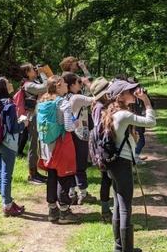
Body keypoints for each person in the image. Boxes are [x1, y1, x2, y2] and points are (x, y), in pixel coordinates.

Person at [102, 79, 156, 252]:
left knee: (118, 203)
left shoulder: (112, 112)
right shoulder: (123, 115)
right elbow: (151, 122)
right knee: (125, 206)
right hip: (122, 164)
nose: (135, 92)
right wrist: (147, 100)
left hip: (113, 164)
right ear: (121, 96)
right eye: (130, 91)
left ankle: (120, 246)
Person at [38, 76, 79, 224]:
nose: (67, 85)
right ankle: (64, 212)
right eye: (65, 83)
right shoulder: (63, 102)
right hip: (61, 143)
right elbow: (68, 127)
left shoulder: (43, 101)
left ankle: (52, 210)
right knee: (64, 176)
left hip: (46, 144)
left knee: (52, 175)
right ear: (58, 86)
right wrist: (76, 123)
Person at [0, 77, 28, 216]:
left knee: (0, 172)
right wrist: (24, 123)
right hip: (8, 144)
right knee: (6, 175)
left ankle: (6, 200)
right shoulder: (9, 105)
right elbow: (12, 128)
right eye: (7, 83)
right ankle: (7, 205)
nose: (11, 83)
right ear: (3, 88)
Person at [63, 73, 95, 205]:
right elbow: (96, 98)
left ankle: (72, 193)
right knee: (80, 165)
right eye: (78, 82)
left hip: (70, 134)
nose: (80, 84)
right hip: (79, 134)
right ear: (71, 85)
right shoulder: (76, 98)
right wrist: (89, 84)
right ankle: (83, 194)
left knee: (72, 164)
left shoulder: (66, 96)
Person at [20, 63, 51, 184]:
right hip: (31, 117)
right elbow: (46, 87)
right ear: (27, 72)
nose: (35, 70)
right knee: (33, 145)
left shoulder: (33, 83)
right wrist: (43, 73)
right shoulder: (28, 85)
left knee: (37, 145)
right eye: (33, 69)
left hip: (36, 116)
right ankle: (32, 174)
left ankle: (36, 171)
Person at [90, 77, 113, 222]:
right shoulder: (99, 107)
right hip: (102, 146)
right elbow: (100, 127)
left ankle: (107, 208)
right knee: (106, 179)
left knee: (108, 179)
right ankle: (105, 211)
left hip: (102, 145)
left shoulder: (102, 104)